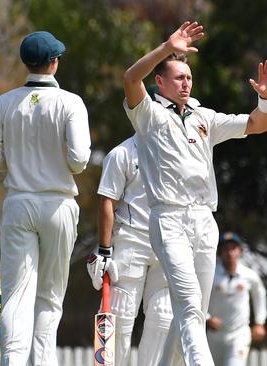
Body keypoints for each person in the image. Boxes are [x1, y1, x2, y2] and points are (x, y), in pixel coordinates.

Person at [122, 21, 267, 366]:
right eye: (179, 77)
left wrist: (265, 98)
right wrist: (167, 48)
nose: (186, 82)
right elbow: (131, 79)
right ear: (160, 82)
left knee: (192, 311)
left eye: (189, 77)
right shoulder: (147, 114)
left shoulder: (203, 116)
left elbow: (257, 124)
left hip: (204, 220)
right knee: (191, 304)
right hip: (168, 218)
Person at [0, 31, 91, 366]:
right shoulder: (70, 102)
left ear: (25, 62)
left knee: (16, 295)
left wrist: (16, 164)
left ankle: (13, 362)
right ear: (54, 62)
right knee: (50, 297)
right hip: (57, 204)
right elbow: (80, 161)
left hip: (18, 201)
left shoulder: (5, 101)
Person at [86, 131, 173, 366]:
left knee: (164, 316)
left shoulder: (178, 148)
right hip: (130, 239)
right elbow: (107, 201)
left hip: (167, 240)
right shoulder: (122, 153)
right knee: (119, 314)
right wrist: (104, 249)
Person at [206, 232, 267, 366]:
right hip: (214, 335)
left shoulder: (249, 275)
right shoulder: (211, 274)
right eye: (226, 249)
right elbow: (197, 297)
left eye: (233, 248)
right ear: (220, 252)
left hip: (239, 334)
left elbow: (260, 294)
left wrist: (259, 322)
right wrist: (207, 317)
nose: (230, 252)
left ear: (240, 251)